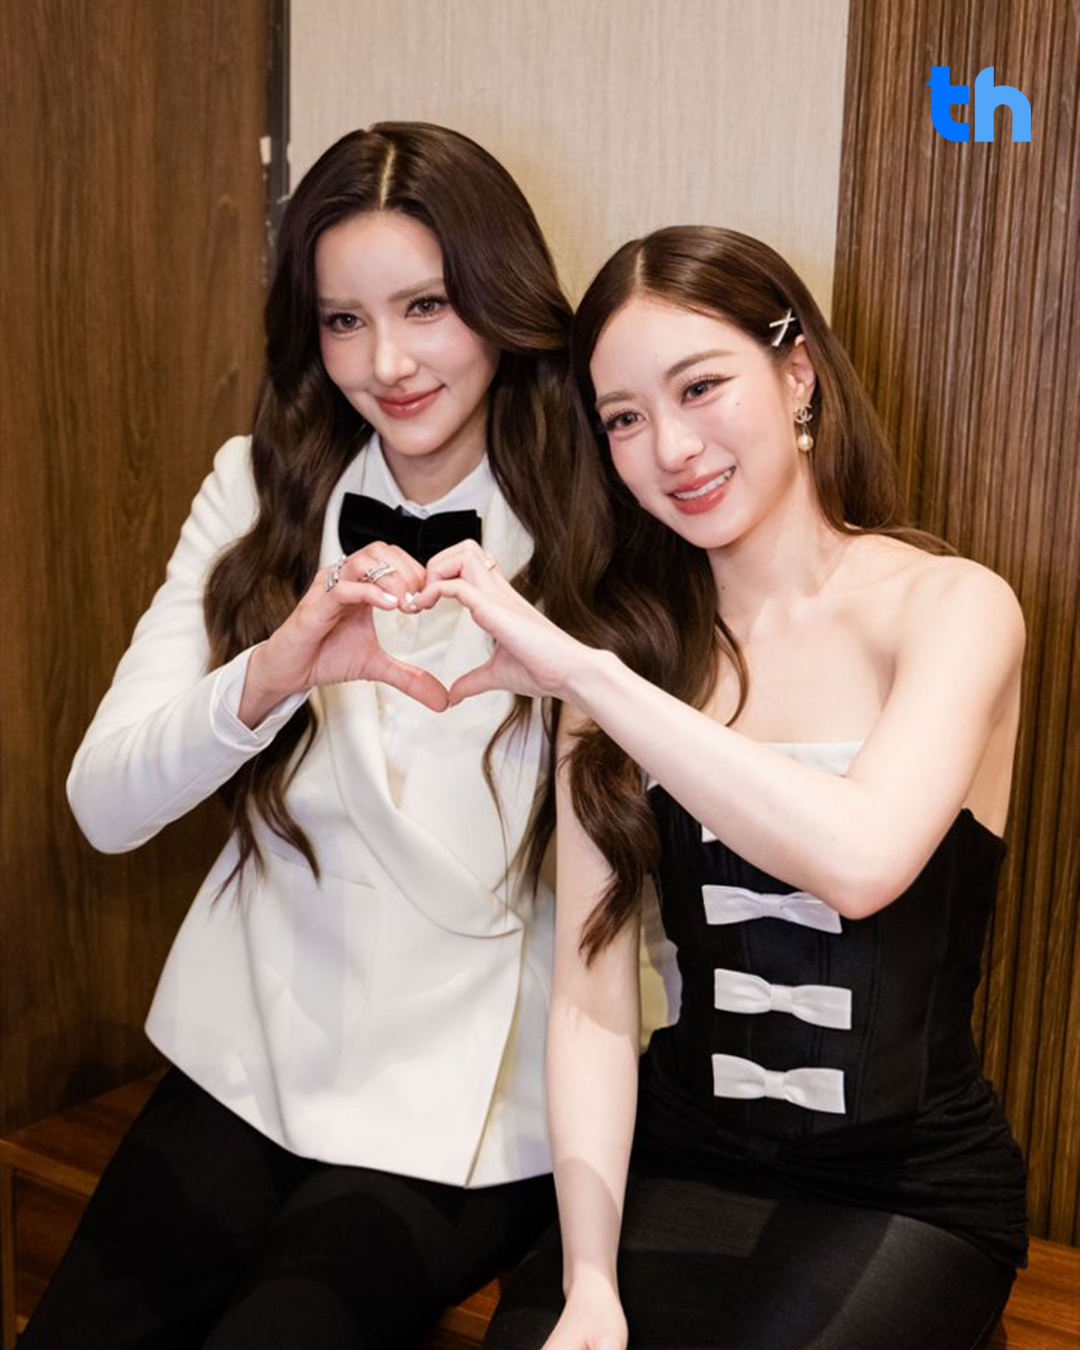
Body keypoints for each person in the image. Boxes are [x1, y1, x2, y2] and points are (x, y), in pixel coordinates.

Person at [407, 226, 1029, 1350]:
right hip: (681, 1156)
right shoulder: (626, 656)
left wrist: (586, 676)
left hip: (906, 1189)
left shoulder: (952, 607)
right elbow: (592, 997)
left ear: (797, 374)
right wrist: (588, 1280)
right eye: (625, 418)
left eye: (701, 387)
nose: (672, 448)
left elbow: (861, 860)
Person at [24, 122, 585, 1349]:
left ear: (500, 296)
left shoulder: (596, 510)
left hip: (470, 1091)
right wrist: (270, 675)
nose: (387, 362)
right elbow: (103, 806)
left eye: (427, 305)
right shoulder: (258, 485)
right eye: (343, 320)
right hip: (253, 1046)